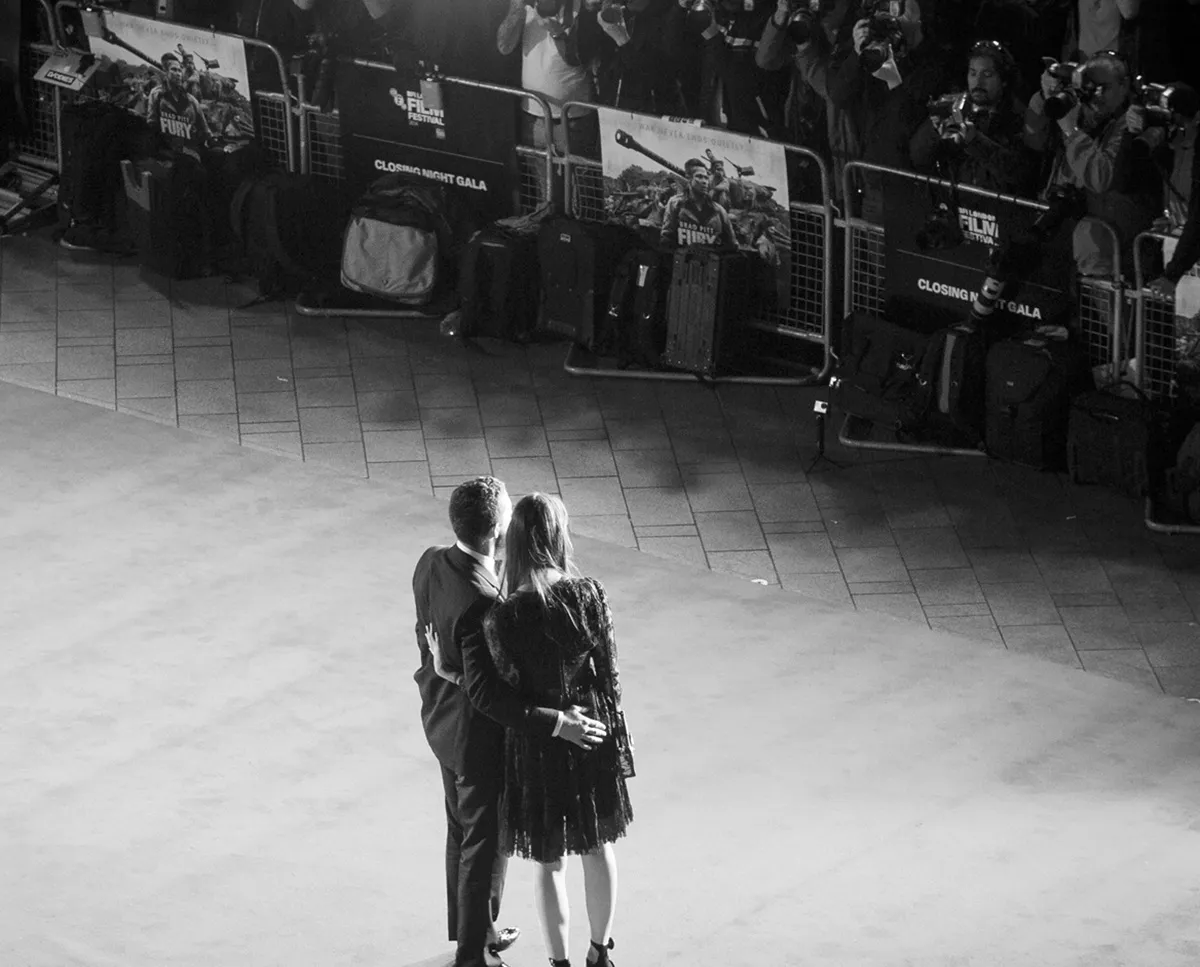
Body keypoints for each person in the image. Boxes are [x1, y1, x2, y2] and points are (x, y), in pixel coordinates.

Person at [413, 476, 610, 967]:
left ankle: (478, 930)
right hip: (476, 739)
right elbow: (491, 694)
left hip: (438, 724)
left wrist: (445, 670)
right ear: (499, 528)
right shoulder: (489, 606)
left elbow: (432, 638)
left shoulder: (430, 562)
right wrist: (557, 722)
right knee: (484, 844)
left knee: (460, 832)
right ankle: (473, 954)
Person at [1024, 49, 1159, 279]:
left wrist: (1070, 131)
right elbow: (1034, 141)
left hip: (1115, 253)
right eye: (1090, 86)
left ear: (1124, 85)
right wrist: (1043, 98)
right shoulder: (1082, 112)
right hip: (1070, 239)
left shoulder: (1134, 123)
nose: (1096, 94)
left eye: (1104, 87)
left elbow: (1101, 177)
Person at [909, 39, 1039, 196]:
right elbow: (918, 158)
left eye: (987, 75)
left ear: (1003, 80)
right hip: (957, 207)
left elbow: (1020, 174)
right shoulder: (954, 108)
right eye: (973, 73)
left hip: (1000, 211)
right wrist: (933, 130)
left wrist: (975, 142)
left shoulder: (1019, 116)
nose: (978, 82)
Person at [659, 158, 739, 249]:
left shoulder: (719, 211)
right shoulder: (675, 203)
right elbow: (666, 238)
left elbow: (732, 244)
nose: (704, 181)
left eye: (706, 178)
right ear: (689, 178)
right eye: (699, 177)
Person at [146, 51, 212, 158]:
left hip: (190, 150)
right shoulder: (156, 94)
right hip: (166, 150)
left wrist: (209, 141)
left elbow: (205, 130)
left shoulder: (192, 100)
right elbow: (152, 125)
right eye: (174, 70)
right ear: (166, 72)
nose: (178, 73)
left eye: (179, 70)